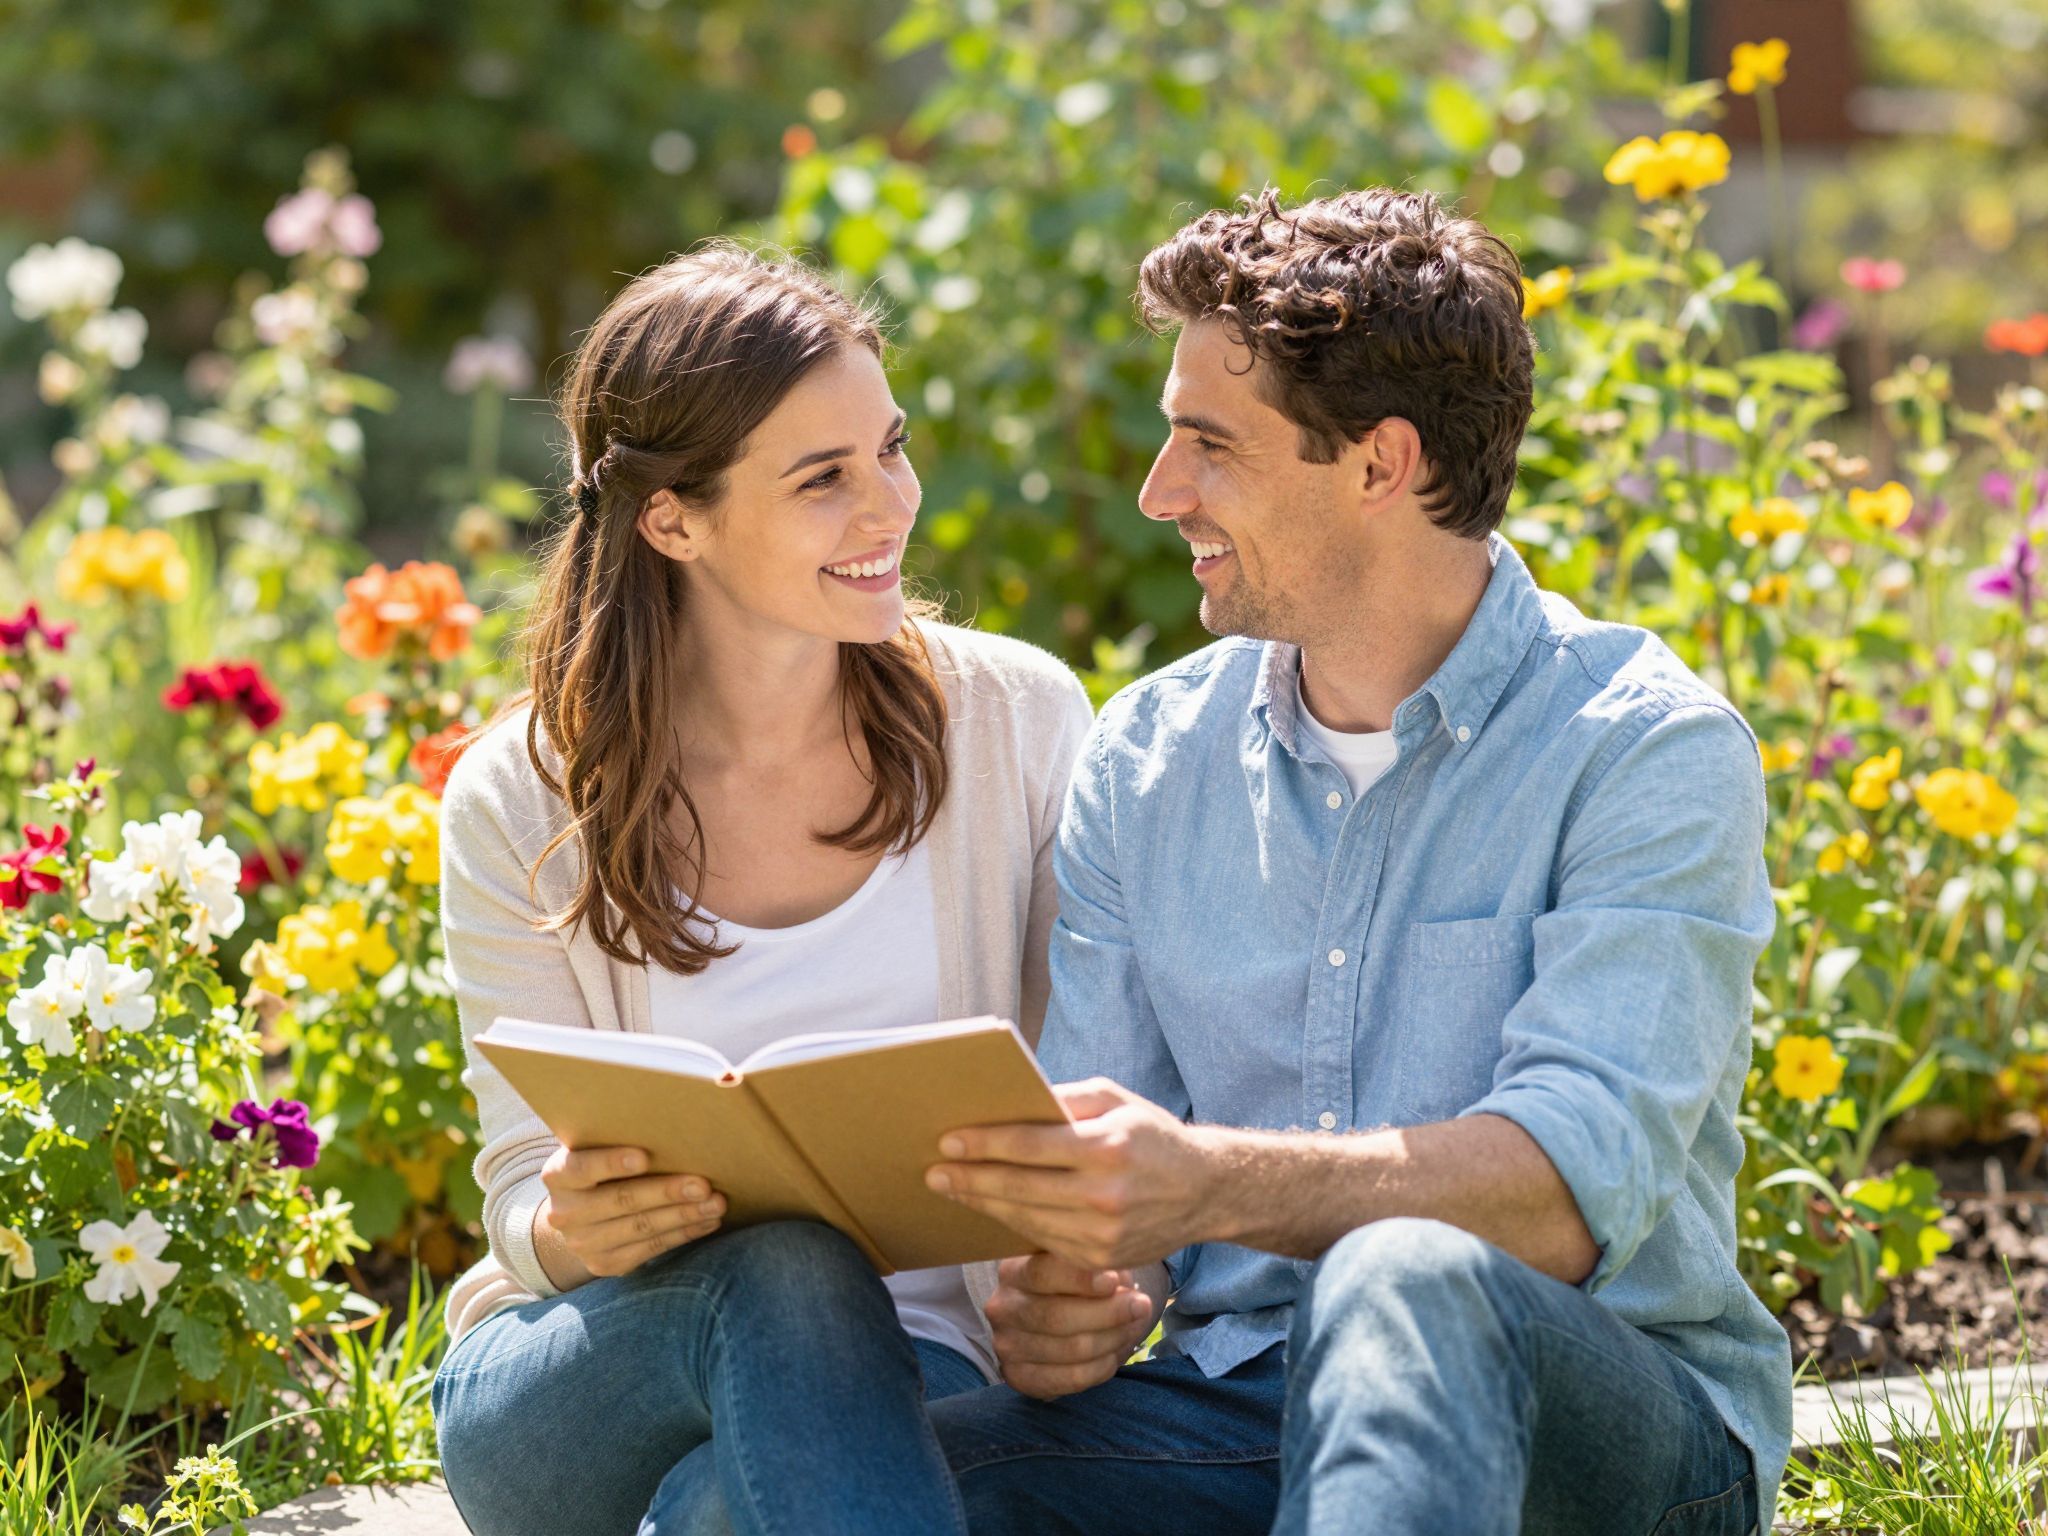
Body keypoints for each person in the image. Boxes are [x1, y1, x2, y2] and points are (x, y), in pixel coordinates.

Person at [920, 187, 1791, 1536]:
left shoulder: (1642, 751)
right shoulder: (1146, 758)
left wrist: (1210, 1180)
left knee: (1404, 1278)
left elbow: (1564, 1199)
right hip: (1240, 1414)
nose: (1160, 493)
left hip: (1597, 1435)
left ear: (1381, 465)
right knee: (824, 1493)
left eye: (1210, 444)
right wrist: (1089, 1292)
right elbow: (1124, 1198)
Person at [429, 243, 1093, 1536]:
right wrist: (574, 1231)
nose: (890, 507)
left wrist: (1098, 1277)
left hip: (921, 1379)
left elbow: (1090, 1091)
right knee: (789, 1266)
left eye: (891, 449)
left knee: (725, 1509)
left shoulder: (1017, 725)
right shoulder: (524, 795)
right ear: (673, 519)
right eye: (823, 478)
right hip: (585, 1376)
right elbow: (519, 1193)